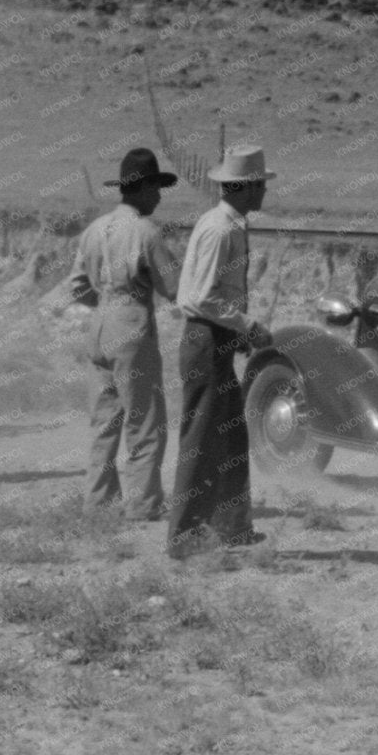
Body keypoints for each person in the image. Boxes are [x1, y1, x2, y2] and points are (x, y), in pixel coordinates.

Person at [169, 144, 277, 555]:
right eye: (260, 185)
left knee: (231, 438)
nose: (264, 193)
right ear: (246, 187)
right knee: (201, 441)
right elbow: (200, 297)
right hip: (205, 341)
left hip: (217, 340)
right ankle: (185, 536)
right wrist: (247, 325)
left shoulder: (227, 224)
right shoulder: (221, 230)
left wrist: (238, 333)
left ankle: (232, 527)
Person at [70, 147, 183, 524]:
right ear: (143, 188)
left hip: (99, 321)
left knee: (104, 421)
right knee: (145, 419)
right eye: (156, 187)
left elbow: (76, 287)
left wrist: (105, 301)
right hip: (131, 323)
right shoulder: (146, 232)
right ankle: (144, 503)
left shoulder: (93, 230)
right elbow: (174, 288)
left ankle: (98, 502)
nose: (159, 196)